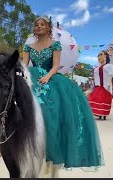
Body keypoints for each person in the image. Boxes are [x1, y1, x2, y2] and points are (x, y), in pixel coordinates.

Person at [23, 16, 104, 170]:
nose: (39, 26)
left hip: (50, 78)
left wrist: (47, 76)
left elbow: (55, 66)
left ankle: (53, 144)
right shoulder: (28, 46)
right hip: (32, 76)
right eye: (36, 24)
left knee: (52, 110)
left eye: (42, 24)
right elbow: (24, 66)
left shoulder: (55, 45)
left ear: (48, 28)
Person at [88, 50, 113, 120]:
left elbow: (112, 77)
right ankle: (99, 114)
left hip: (105, 87)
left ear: (106, 56)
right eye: (98, 55)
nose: (99, 57)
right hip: (97, 87)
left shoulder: (109, 66)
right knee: (94, 99)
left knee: (103, 100)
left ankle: (103, 115)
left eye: (101, 55)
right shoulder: (96, 68)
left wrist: (111, 87)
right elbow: (95, 79)